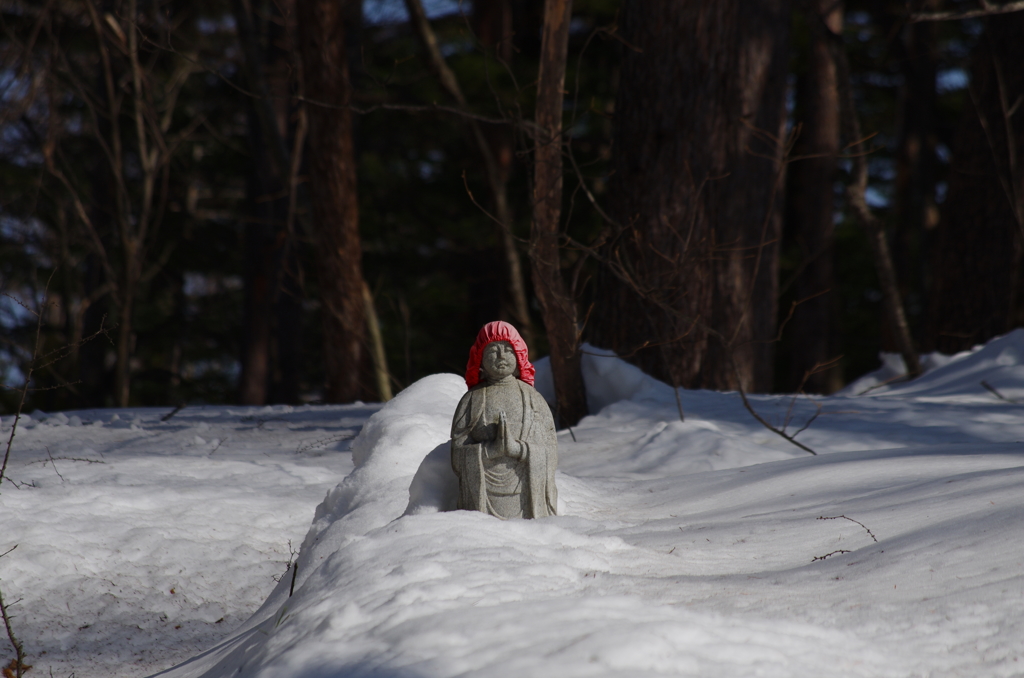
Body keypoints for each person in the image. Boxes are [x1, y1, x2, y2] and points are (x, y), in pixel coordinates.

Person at [450, 321, 558, 519]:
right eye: (493, 350)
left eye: (508, 350)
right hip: (483, 500)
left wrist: (518, 450)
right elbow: (457, 455)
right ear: (480, 359)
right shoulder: (472, 400)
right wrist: (490, 451)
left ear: (519, 355)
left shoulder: (533, 399)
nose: (501, 356)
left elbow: (550, 451)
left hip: (527, 498)